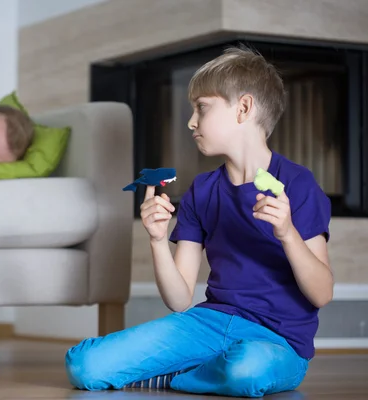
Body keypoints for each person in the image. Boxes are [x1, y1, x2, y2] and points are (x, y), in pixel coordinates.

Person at [65, 46, 333, 398]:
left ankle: (178, 378)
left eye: (201, 108)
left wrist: (287, 233)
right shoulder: (202, 191)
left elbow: (322, 293)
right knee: (85, 366)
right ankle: (202, 373)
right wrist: (158, 240)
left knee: (246, 369)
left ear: (244, 109)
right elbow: (178, 300)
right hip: (207, 324)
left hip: (277, 340)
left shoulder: (298, 185)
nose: (191, 121)